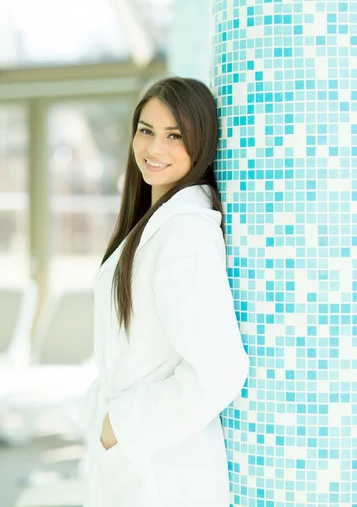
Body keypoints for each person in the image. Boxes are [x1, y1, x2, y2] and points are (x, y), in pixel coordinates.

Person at [80, 76, 250, 507]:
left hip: (161, 470)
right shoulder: (154, 224)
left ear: (202, 143)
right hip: (139, 461)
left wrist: (120, 426)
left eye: (175, 136)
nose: (154, 149)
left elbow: (220, 370)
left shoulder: (185, 233)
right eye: (146, 130)